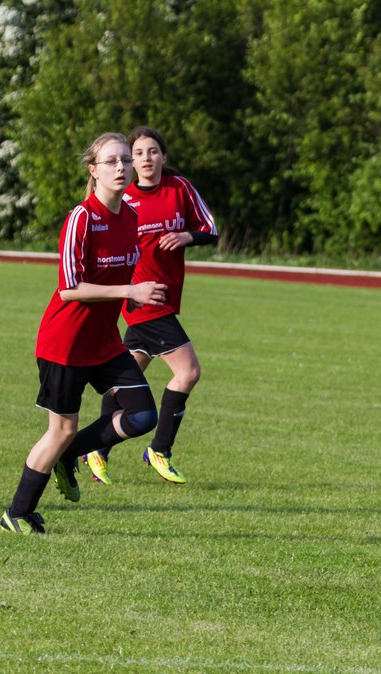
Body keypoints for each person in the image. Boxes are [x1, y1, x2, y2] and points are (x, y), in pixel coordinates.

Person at [0, 132, 167, 534]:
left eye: (126, 160)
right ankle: (17, 514)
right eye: (111, 161)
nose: (122, 167)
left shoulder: (130, 216)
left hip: (104, 343)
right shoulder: (82, 217)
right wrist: (130, 290)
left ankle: (65, 455)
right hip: (65, 344)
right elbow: (69, 287)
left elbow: (117, 278)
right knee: (62, 430)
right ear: (93, 170)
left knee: (143, 414)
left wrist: (137, 299)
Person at [80, 126, 218, 487]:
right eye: (137, 153)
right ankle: (160, 450)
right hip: (144, 301)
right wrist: (124, 288)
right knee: (188, 372)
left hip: (166, 298)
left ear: (164, 157)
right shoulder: (122, 199)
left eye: (152, 152)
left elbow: (210, 228)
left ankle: (96, 448)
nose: (144, 159)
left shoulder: (180, 188)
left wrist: (187, 235)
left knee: (125, 381)